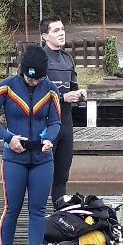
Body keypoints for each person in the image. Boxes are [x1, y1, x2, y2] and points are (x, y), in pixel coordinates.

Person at [0, 45, 61, 245]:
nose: (33, 82)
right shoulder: (7, 87)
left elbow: (55, 122)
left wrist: (50, 140)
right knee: (12, 207)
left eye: (38, 79)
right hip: (14, 157)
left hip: (42, 159)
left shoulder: (51, 90)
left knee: (37, 210)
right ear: (22, 71)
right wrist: (8, 137)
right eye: (29, 77)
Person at [40, 17, 87, 204]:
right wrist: (62, 97)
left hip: (66, 124)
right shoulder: (40, 59)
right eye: (56, 30)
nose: (61, 33)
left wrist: (80, 94)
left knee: (62, 175)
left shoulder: (68, 60)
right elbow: (33, 96)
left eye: (62, 29)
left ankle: (59, 218)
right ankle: (39, 217)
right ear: (45, 36)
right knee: (44, 175)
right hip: (45, 125)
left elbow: (73, 88)